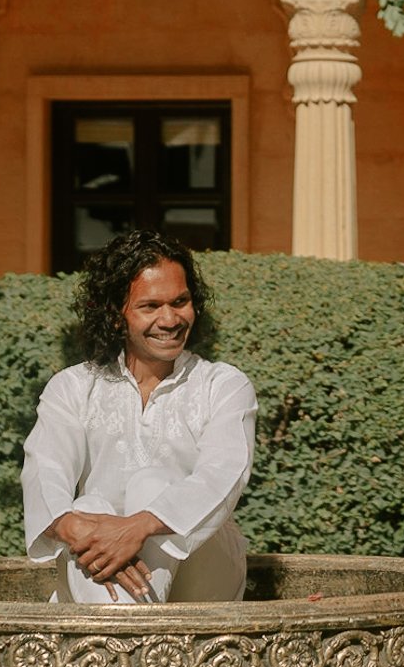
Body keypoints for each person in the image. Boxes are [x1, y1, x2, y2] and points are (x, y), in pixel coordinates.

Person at [22, 230, 258, 603]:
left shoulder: (223, 385)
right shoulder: (73, 387)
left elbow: (222, 477)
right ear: (116, 316)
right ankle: (131, 624)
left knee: (153, 484)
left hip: (202, 578)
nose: (170, 319)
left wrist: (138, 528)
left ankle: (125, 630)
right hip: (97, 569)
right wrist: (81, 530)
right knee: (85, 508)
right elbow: (44, 473)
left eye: (180, 301)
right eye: (150, 306)